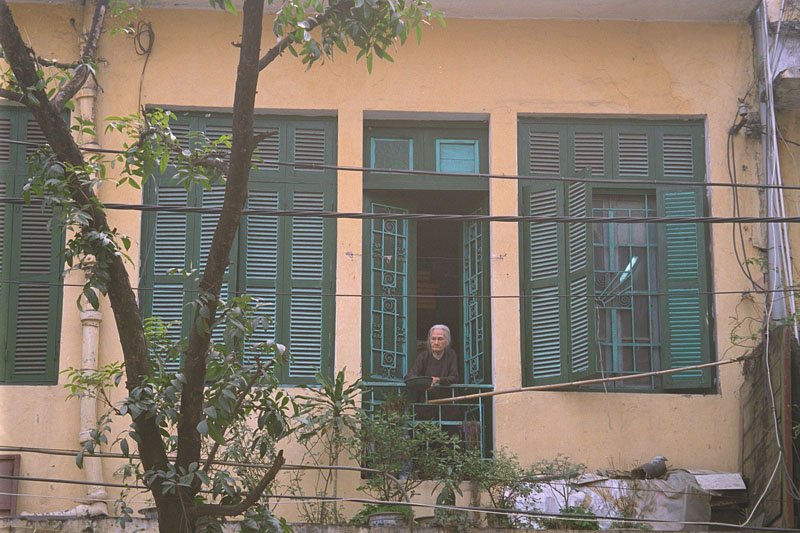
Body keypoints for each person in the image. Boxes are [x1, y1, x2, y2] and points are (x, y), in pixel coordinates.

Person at [404, 325, 459, 418]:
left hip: (446, 405)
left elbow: (454, 377)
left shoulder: (451, 355)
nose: (436, 342)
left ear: (446, 342)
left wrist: (438, 380)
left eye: (440, 339)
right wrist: (425, 382)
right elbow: (409, 377)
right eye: (433, 339)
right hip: (426, 405)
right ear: (429, 341)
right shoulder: (423, 356)